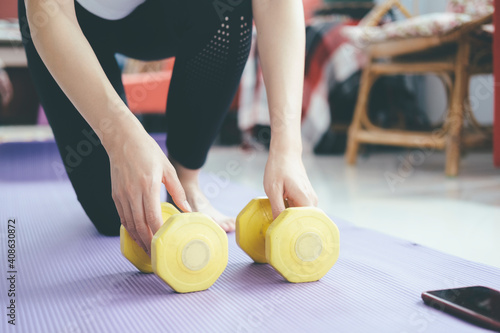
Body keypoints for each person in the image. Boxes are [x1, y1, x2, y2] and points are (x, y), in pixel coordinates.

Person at [20, 0, 318, 255]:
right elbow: (50, 11)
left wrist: (288, 146)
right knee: (118, 217)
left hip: (165, 14)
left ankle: (186, 182)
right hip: (66, 20)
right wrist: (120, 137)